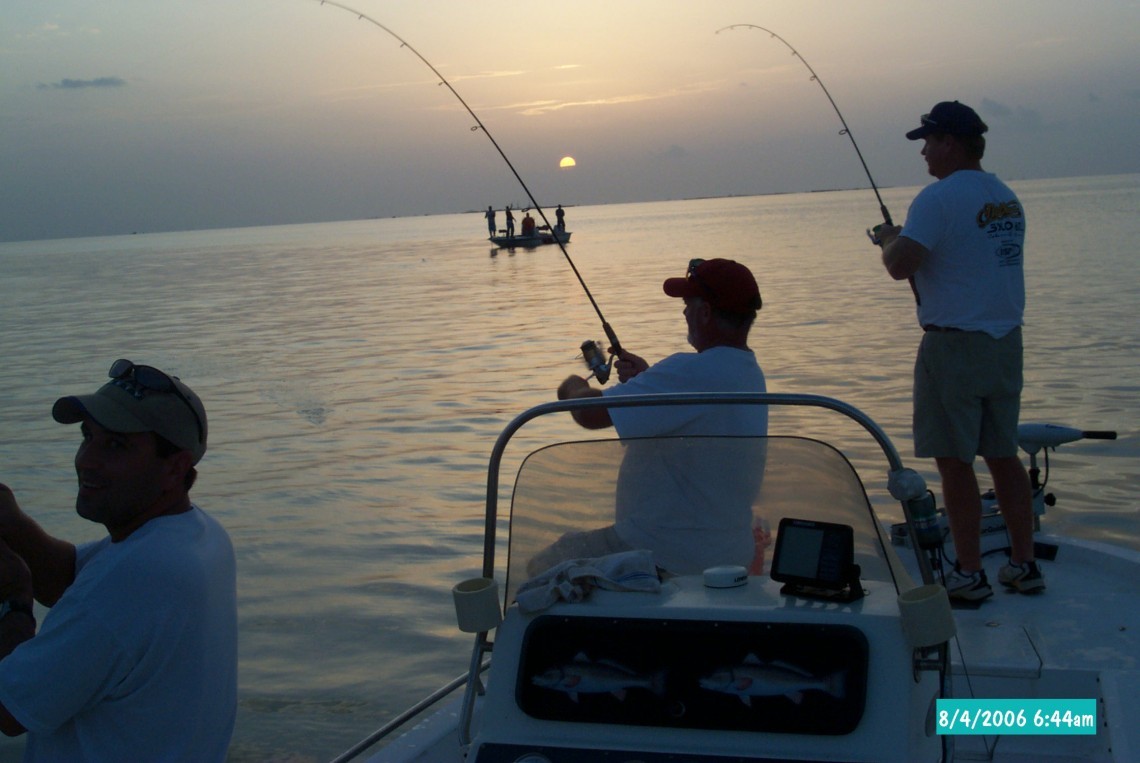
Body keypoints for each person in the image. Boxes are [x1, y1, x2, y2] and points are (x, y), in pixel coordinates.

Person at [0, 359, 237, 760]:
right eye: (87, 436)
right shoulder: (198, 535)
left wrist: (14, 602)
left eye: (116, 445)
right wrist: (11, 521)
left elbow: (9, 710)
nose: (85, 460)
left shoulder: (137, 580)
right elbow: (68, 578)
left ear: (175, 467)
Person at [872, 100, 1041, 602]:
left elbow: (901, 265)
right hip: (1005, 342)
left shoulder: (937, 198)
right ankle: (1024, 564)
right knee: (1002, 455)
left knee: (954, 461)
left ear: (949, 142)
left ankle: (969, 573)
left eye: (928, 141)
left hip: (954, 347)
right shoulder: (1005, 196)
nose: (923, 151)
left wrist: (887, 238)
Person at [549, 258, 768, 574]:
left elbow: (589, 413)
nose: (683, 312)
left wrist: (571, 386)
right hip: (725, 547)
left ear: (705, 312)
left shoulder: (689, 371)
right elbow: (697, 406)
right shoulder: (746, 371)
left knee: (543, 566)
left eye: (687, 304)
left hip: (664, 549)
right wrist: (647, 380)